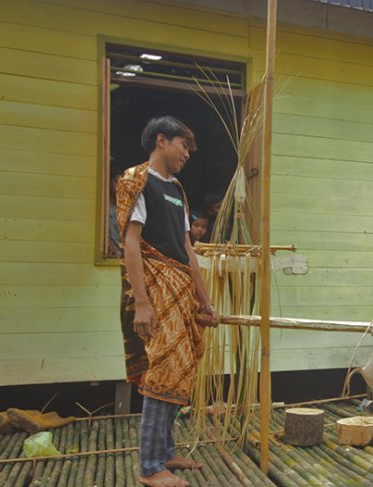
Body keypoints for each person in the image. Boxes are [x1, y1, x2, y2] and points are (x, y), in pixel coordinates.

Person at [117, 116, 218, 487]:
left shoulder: (176, 188)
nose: (187, 154)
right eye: (183, 146)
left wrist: (204, 301)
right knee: (162, 370)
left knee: (180, 368)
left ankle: (166, 452)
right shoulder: (137, 180)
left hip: (181, 291)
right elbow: (131, 243)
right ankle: (149, 467)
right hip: (155, 289)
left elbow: (187, 249)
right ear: (161, 140)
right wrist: (142, 303)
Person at [107, 169, 123, 258]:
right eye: (116, 182)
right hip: (110, 256)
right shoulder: (104, 208)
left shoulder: (125, 209)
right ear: (109, 183)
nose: (118, 186)